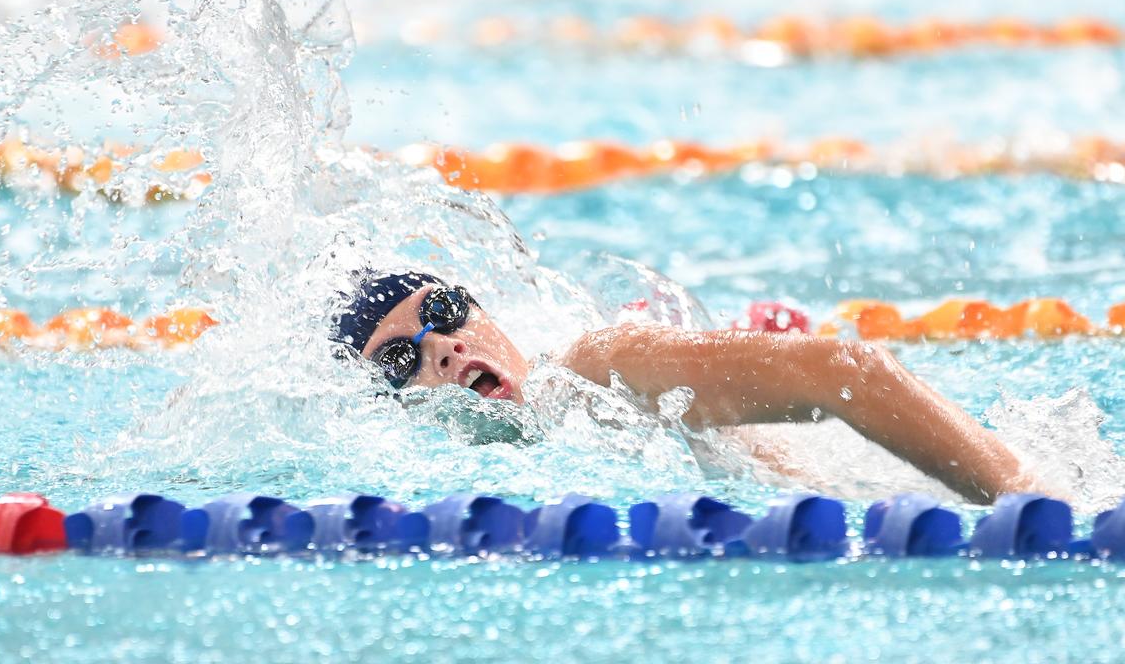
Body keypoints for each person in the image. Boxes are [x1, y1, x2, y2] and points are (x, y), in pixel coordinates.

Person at [332, 271, 1048, 505]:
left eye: (446, 312)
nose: (446, 348)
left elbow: (846, 373)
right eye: (399, 361)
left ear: (487, 316)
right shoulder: (429, 484)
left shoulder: (597, 370)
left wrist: (1034, 505)